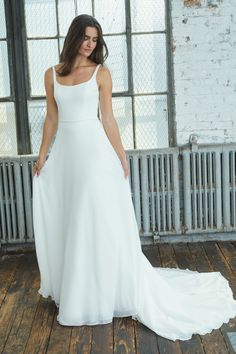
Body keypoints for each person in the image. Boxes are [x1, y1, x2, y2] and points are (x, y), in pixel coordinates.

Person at [32, 14, 236, 341]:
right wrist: (43, 154)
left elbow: (109, 119)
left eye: (95, 39)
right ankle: (79, 289)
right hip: (66, 157)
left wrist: (121, 156)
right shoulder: (51, 75)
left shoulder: (101, 74)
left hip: (95, 155)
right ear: (73, 37)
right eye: (85, 37)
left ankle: (99, 294)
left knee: (91, 219)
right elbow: (52, 120)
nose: (90, 44)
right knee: (71, 220)